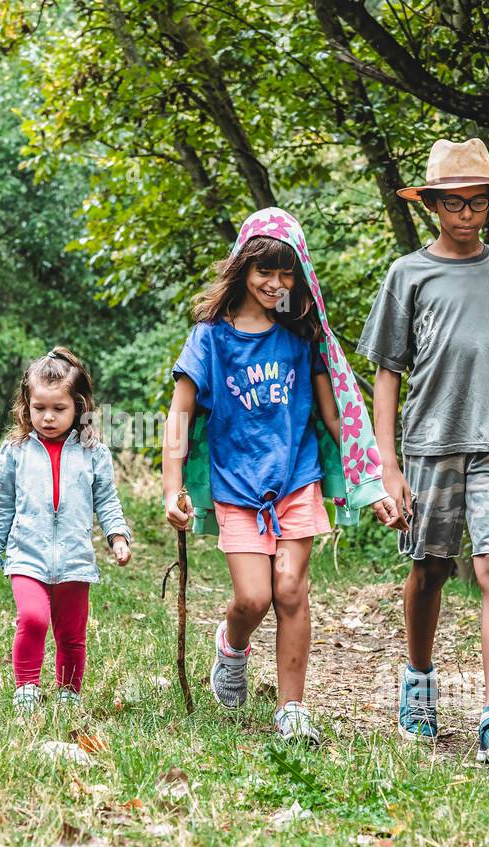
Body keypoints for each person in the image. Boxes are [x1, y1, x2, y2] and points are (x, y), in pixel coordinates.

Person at [163, 207, 391, 746]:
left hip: (296, 479)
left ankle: (292, 709)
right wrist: (172, 486)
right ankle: (233, 645)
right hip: (237, 488)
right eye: (265, 270)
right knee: (253, 599)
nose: (276, 283)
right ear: (243, 267)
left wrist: (371, 478)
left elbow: (332, 414)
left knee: (291, 590)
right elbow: (179, 414)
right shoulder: (211, 338)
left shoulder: (299, 333)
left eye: (287, 273)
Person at [357, 137, 489, 767]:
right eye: (453, 203)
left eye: (477, 202)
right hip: (430, 444)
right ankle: (418, 679)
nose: (466, 214)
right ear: (433, 205)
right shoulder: (408, 274)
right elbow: (388, 373)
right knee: (430, 568)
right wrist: (387, 467)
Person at [0, 348, 132, 712]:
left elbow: (107, 502)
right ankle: (27, 688)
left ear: (78, 406)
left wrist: (118, 537)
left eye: (58, 409)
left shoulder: (94, 452)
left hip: (75, 560)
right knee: (33, 618)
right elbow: (1, 504)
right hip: (26, 556)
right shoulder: (16, 450)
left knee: (71, 634)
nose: (47, 418)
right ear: (26, 405)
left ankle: (68, 693)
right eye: (38, 408)